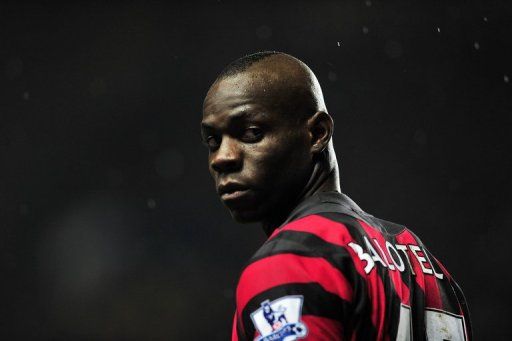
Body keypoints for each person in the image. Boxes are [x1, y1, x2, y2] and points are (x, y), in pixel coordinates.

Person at [201, 51, 471, 340]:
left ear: (317, 133)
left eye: (251, 132)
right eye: (213, 141)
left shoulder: (293, 258)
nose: (222, 158)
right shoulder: (428, 266)